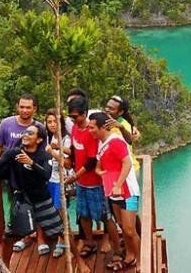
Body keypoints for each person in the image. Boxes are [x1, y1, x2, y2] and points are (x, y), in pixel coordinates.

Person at [0, 124, 63, 266]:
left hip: (42, 200)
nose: (25, 135)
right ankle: (4, 267)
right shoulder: (13, 153)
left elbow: (46, 175)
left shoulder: (44, 155)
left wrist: (31, 163)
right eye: (25, 132)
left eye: (30, 133)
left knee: (61, 231)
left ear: (39, 140)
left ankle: (79, 261)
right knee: (8, 236)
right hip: (22, 201)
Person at [89, 112, 140, 271]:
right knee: (122, 227)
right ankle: (130, 255)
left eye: (92, 128)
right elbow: (100, 163)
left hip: (127, 191)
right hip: (113, 192)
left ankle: (139, 260)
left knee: (129, 230)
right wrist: (98, 171)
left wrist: (118, 185)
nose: (90, 131)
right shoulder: (101, 142)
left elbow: (127, 163)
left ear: (102, 127)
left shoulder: (116, 141)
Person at [67, 97, 107, 260]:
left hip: (94, 182)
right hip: (81, 182)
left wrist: (74, 176)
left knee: (102, 214)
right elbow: (74, 147)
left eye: (76, 117)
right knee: (83, 213)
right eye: (70, 117)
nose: (73, 120)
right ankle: (89, 242)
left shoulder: (91, 132)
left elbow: (91, 161)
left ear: (84, 113)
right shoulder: (75, 129)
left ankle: (106, 238)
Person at [44, 109, 72, 258]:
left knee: (61, 211)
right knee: (53, 211)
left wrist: (53, 151)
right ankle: (58, 237)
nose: (52, 124)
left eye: (55, 121)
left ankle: (64, 240)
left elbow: (67, 163)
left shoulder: (66, 139)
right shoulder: (47, 138)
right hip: (49, 179)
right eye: (49, 122)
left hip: (61, 180)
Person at [104, 95, 141, 171]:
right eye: (107, 107)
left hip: (129, 169)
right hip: (115, 169)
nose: (107, 110)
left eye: (111, 109)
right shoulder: (105, 121)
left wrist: (121, 127)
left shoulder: (123, 124)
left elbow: (129, 141)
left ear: (120, 112)